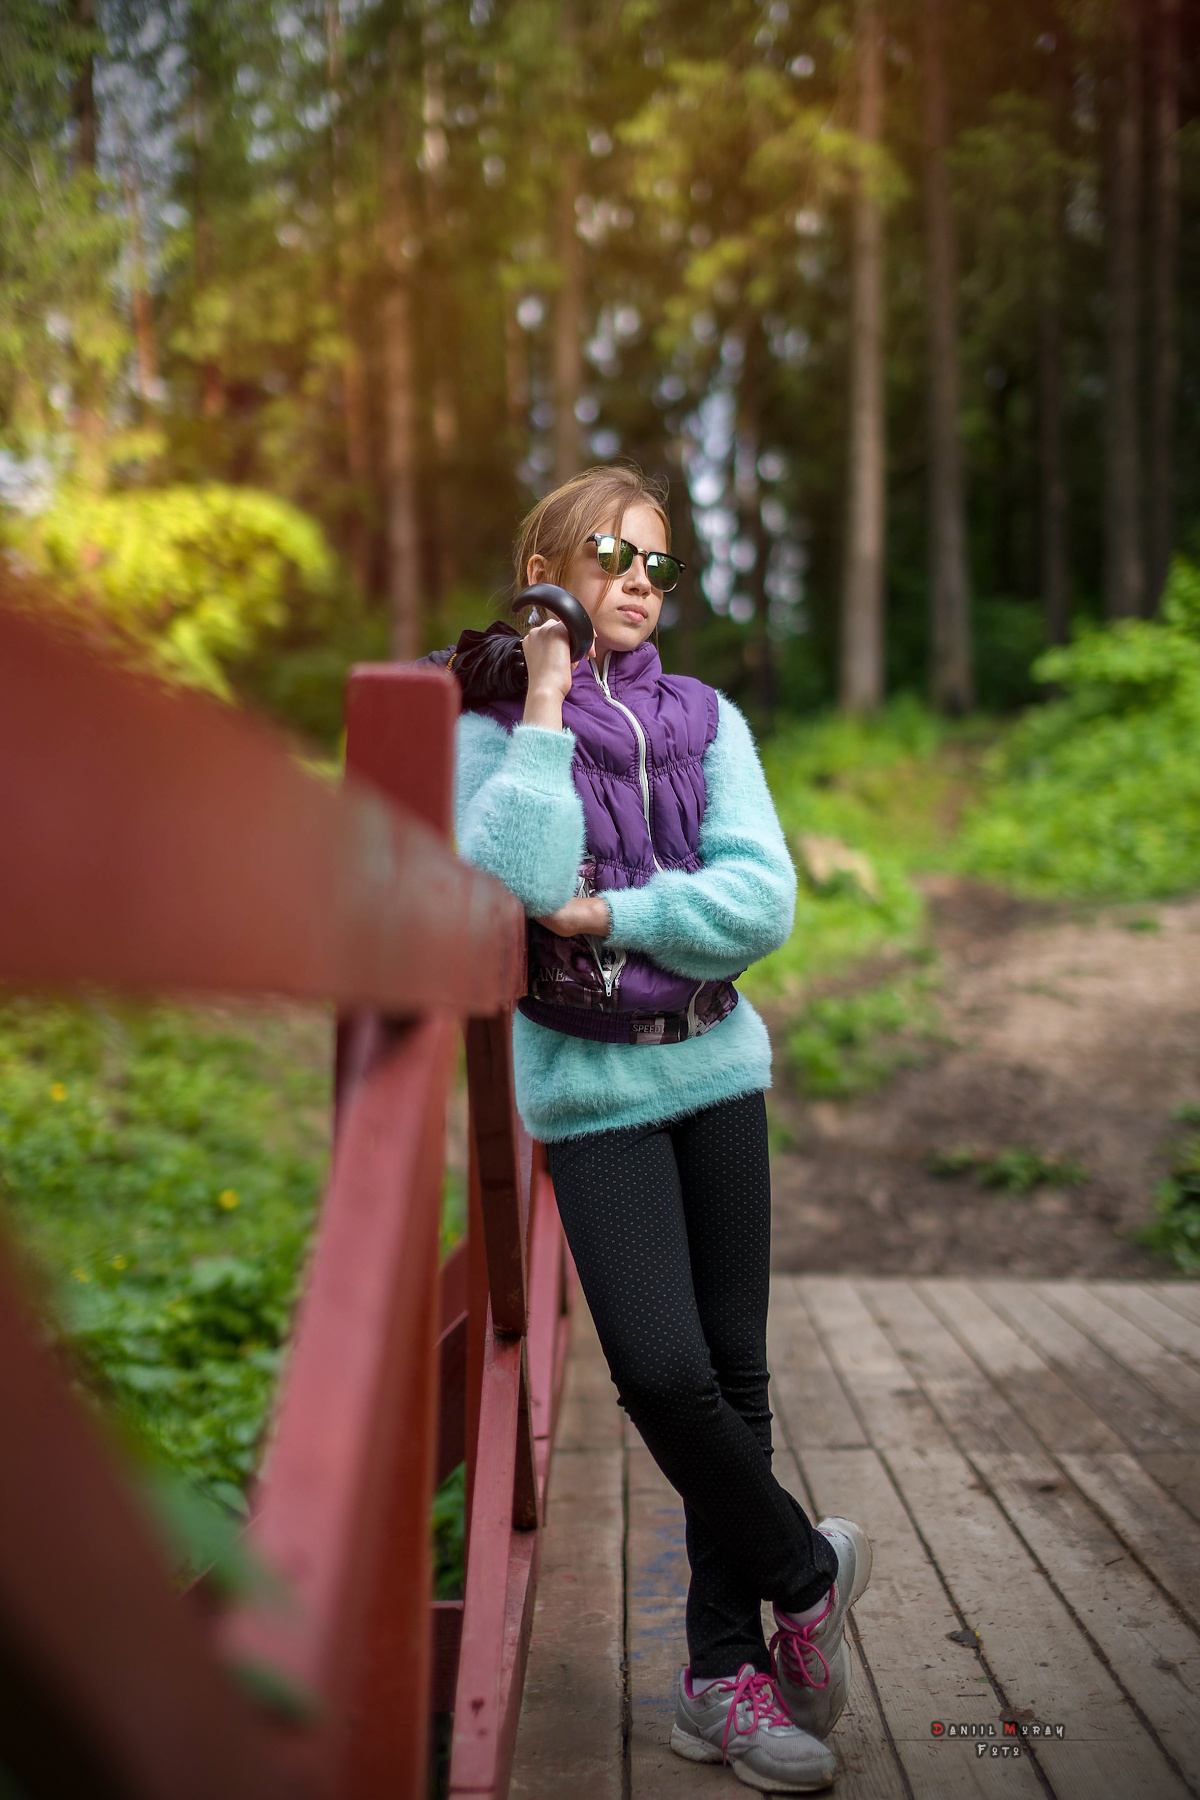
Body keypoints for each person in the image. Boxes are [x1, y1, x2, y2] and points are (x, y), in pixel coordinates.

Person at [454, 464, 871, 1794]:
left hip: (715, 1069)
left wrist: (614, 918)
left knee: (735, 1379)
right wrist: (541, 700)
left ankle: (720, 1679)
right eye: (607, 554)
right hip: (588, 1091)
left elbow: (759, 902)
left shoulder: (710, 716)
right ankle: (807, 1568)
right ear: (545, 570)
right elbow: (511, 875)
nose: (639, 580)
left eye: (659, 565)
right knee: (663, 1374)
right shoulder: (485, 719)